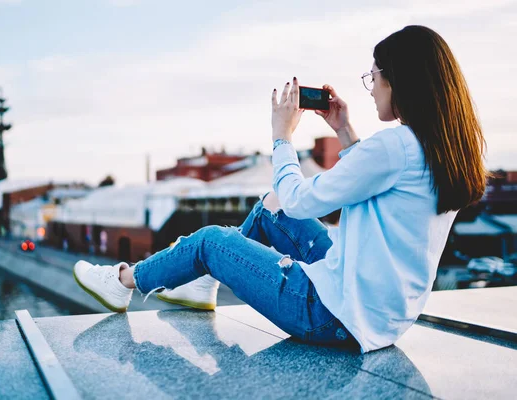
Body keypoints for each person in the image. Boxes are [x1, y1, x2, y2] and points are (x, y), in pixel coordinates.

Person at [73, 25, 487, 353]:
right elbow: (379, 182)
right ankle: (202, 285)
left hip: (331, 315)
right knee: (272, 210)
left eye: (374, 76)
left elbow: (300, 198)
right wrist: (344, 132)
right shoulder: (439, 149)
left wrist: (281, 136)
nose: (372, 86)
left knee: (210, 242)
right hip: (380, 315)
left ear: (401, 81)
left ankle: (124, 281)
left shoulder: (395, 145)